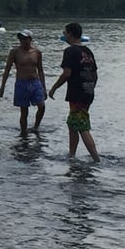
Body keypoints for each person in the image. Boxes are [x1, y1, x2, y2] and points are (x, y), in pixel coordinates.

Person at [48, 22, 100, 162]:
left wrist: (54, 88)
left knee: (82, 126)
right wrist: (90, 90)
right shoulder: (88, 51)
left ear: (70, 34)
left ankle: (96, 159)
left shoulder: (70, 51)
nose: (64, 35)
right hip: (88, 92)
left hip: (77, 94)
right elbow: (95, 75)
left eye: (65, 33)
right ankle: (72, 155)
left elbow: (67, 74)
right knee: (72, 124)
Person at [0, 29, 46, 134]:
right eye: (21, 38)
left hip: (35, 82)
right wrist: (2, 87)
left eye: (24, 38)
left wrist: (43, 87)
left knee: (41, 106)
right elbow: (7, 70)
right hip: (22, 83)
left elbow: (40, 70)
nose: (22, 41)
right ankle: (23, 133)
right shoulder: (15, 52)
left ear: (30, 39)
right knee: (24, 111)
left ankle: (36, 127)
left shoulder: (36, 52)